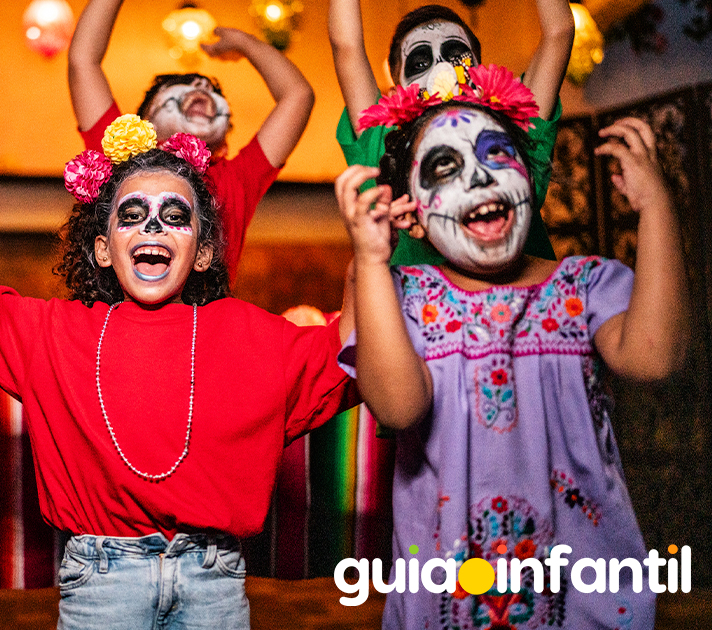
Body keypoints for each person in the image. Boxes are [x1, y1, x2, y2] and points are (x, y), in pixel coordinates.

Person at [0, 115, 356, 628]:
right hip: (101, 582)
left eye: (174, 215)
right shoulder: (54, 331)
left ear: (204, 253)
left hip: (214, 581)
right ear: (102, 248)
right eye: (133, 214)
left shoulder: (253, 335)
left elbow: (354, 351)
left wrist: (369, 245)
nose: (153, 227)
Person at [334, 68, 684, 628]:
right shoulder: (405, 297)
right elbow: (398, 407)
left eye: (497, 154)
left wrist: (656, 208)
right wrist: (374, 261)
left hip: (586, 599)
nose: (479, 178)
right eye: (445, 167)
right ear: (413, 218)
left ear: (529, 177)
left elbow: (654, 359)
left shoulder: (584, 285)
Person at [68, 0, 315, 281]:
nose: (201, 87)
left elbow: (298, 95)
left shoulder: (232, 180)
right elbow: (83, 61)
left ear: (222, 143)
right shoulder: (120, 158)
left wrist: (247, 43)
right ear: (144, 122)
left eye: (212, 90)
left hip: (208, 323)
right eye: (180, 86)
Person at [328, 0, 573, 266]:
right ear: (397, 87)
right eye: (420, 63)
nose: (441, 69)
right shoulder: (383, 147)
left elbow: (558, 33)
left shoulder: (511, 135)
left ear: (479, 69)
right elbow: (346, 46)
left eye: (457, 55)